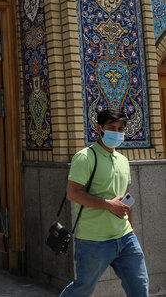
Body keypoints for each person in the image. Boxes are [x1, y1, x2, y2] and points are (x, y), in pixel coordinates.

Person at [60, 108, 149, 297]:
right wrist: (109, 204)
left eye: (120, 129)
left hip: (126, 238)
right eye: (111, 128)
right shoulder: (85, 157)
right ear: (98, 128)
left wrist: (131, 228)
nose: (117, 133)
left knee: (140, 287)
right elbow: (73, 193)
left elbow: (126, 198)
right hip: (94, 240)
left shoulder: (123, 161)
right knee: (82, 289)